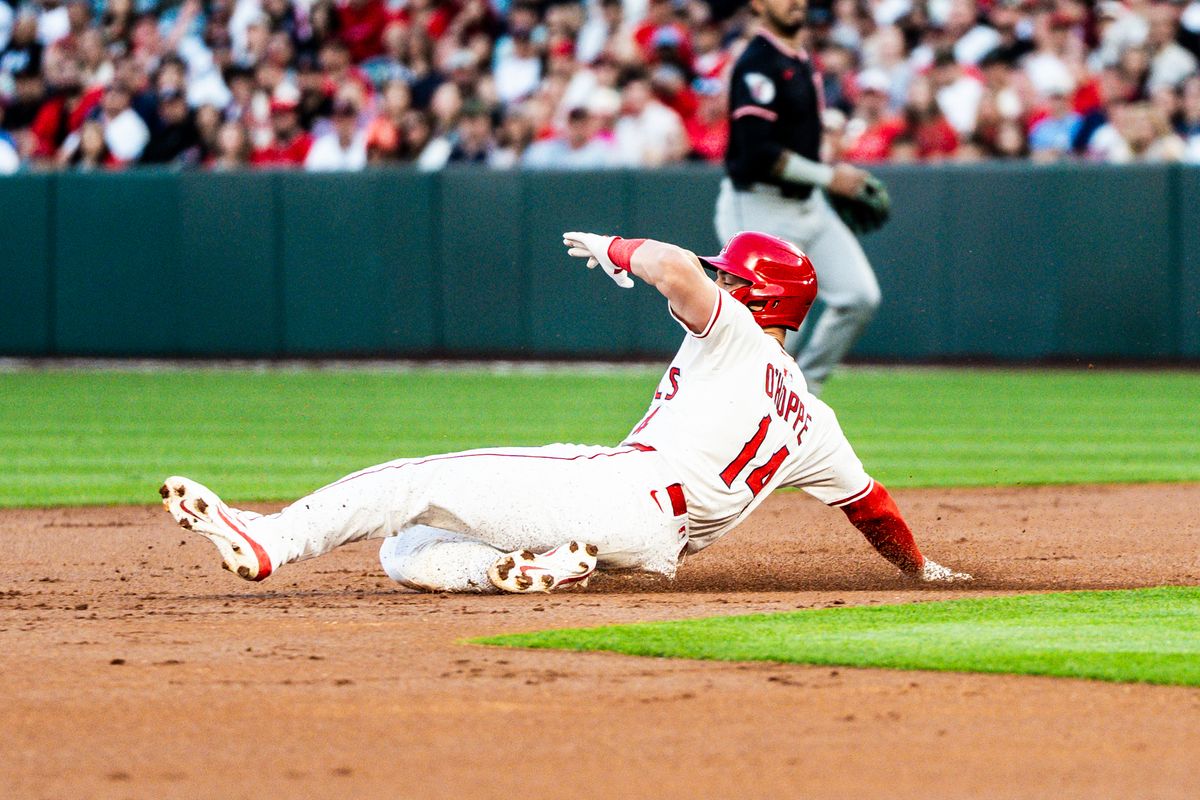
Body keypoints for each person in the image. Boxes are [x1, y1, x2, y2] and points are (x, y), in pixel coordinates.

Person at [160, 230, 971, 594]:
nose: (720, 284)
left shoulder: (736, 334)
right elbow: (874, 511)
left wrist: (613, 248)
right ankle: (519, 572)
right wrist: (922, 571)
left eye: (734, 279)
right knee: (405, 550)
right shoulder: (814, 419)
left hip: (625, 490)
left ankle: (272, 540)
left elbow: (670, 268)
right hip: (658, 546)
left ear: (755, 298)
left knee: (414, 481)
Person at [714, 0, 884, 396]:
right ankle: (735, 412)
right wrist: (830, 177)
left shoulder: (801, 57)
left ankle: (802, 392)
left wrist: (827, 170)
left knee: (859, 297)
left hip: (808, 203)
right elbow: (759, 153)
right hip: (758, 204)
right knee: (766, 325)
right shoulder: (757, 63)